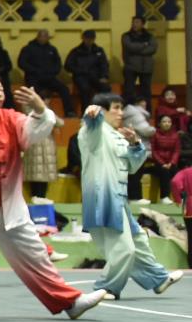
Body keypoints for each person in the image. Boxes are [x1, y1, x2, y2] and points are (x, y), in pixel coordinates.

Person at [0, 74, 105, 322]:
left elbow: (35, 131)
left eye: (0, 89)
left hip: (11, 204)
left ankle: (71, 302)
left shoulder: (12, 118)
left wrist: (39, 108)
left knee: (35, 254)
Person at [77, 95, 182, 300]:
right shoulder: (92, 131)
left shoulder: (116, 135)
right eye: (116, 108)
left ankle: (158, 279)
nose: (121, 113)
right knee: (124, 248)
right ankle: (106, 288)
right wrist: (92, 114)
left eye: (121, 108)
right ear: (103, 110)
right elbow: (92, 122)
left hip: (119, 198)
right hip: (103, 198)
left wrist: (134, 144)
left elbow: (132, 167)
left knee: (138, 240)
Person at [18, 30, 68, 115]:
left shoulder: (52, 49)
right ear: (38, 37)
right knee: (34, 91)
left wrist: (52, 73)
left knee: (64, 89)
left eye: (46, 36)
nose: (44, 38)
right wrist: (34, 71)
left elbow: (58, 64)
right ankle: (35, 113)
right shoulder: (28, 48)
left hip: (49, 77)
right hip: (33, 77)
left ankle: (69, 112)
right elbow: (22, 63)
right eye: (42, 36)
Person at [66, 31, 110, 106]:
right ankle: (86, 110)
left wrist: (104, 76)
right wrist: (80, 71)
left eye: (91, 38)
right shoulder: (76, 51)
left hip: (96, 76)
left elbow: (104, 64)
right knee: (85, 89)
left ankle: (105, 109)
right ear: (83, 38)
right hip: (81, 77)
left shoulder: (99, 50)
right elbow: (68, 66)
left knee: (105, 87)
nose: (89, 40)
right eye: (87, 38)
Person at [121, 16, 158, 107]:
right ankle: (129, 109)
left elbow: (152, 49)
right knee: (129, 91)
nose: (134, 24)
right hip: (131, 67)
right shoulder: (126, 36)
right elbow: (130, 47)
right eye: (133, 22)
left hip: (146, 68)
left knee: (146, 92)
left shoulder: (150, 36)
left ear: (142, 24)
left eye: (137, 22)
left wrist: (137, 50)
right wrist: (144, 45)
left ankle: (147, 111)